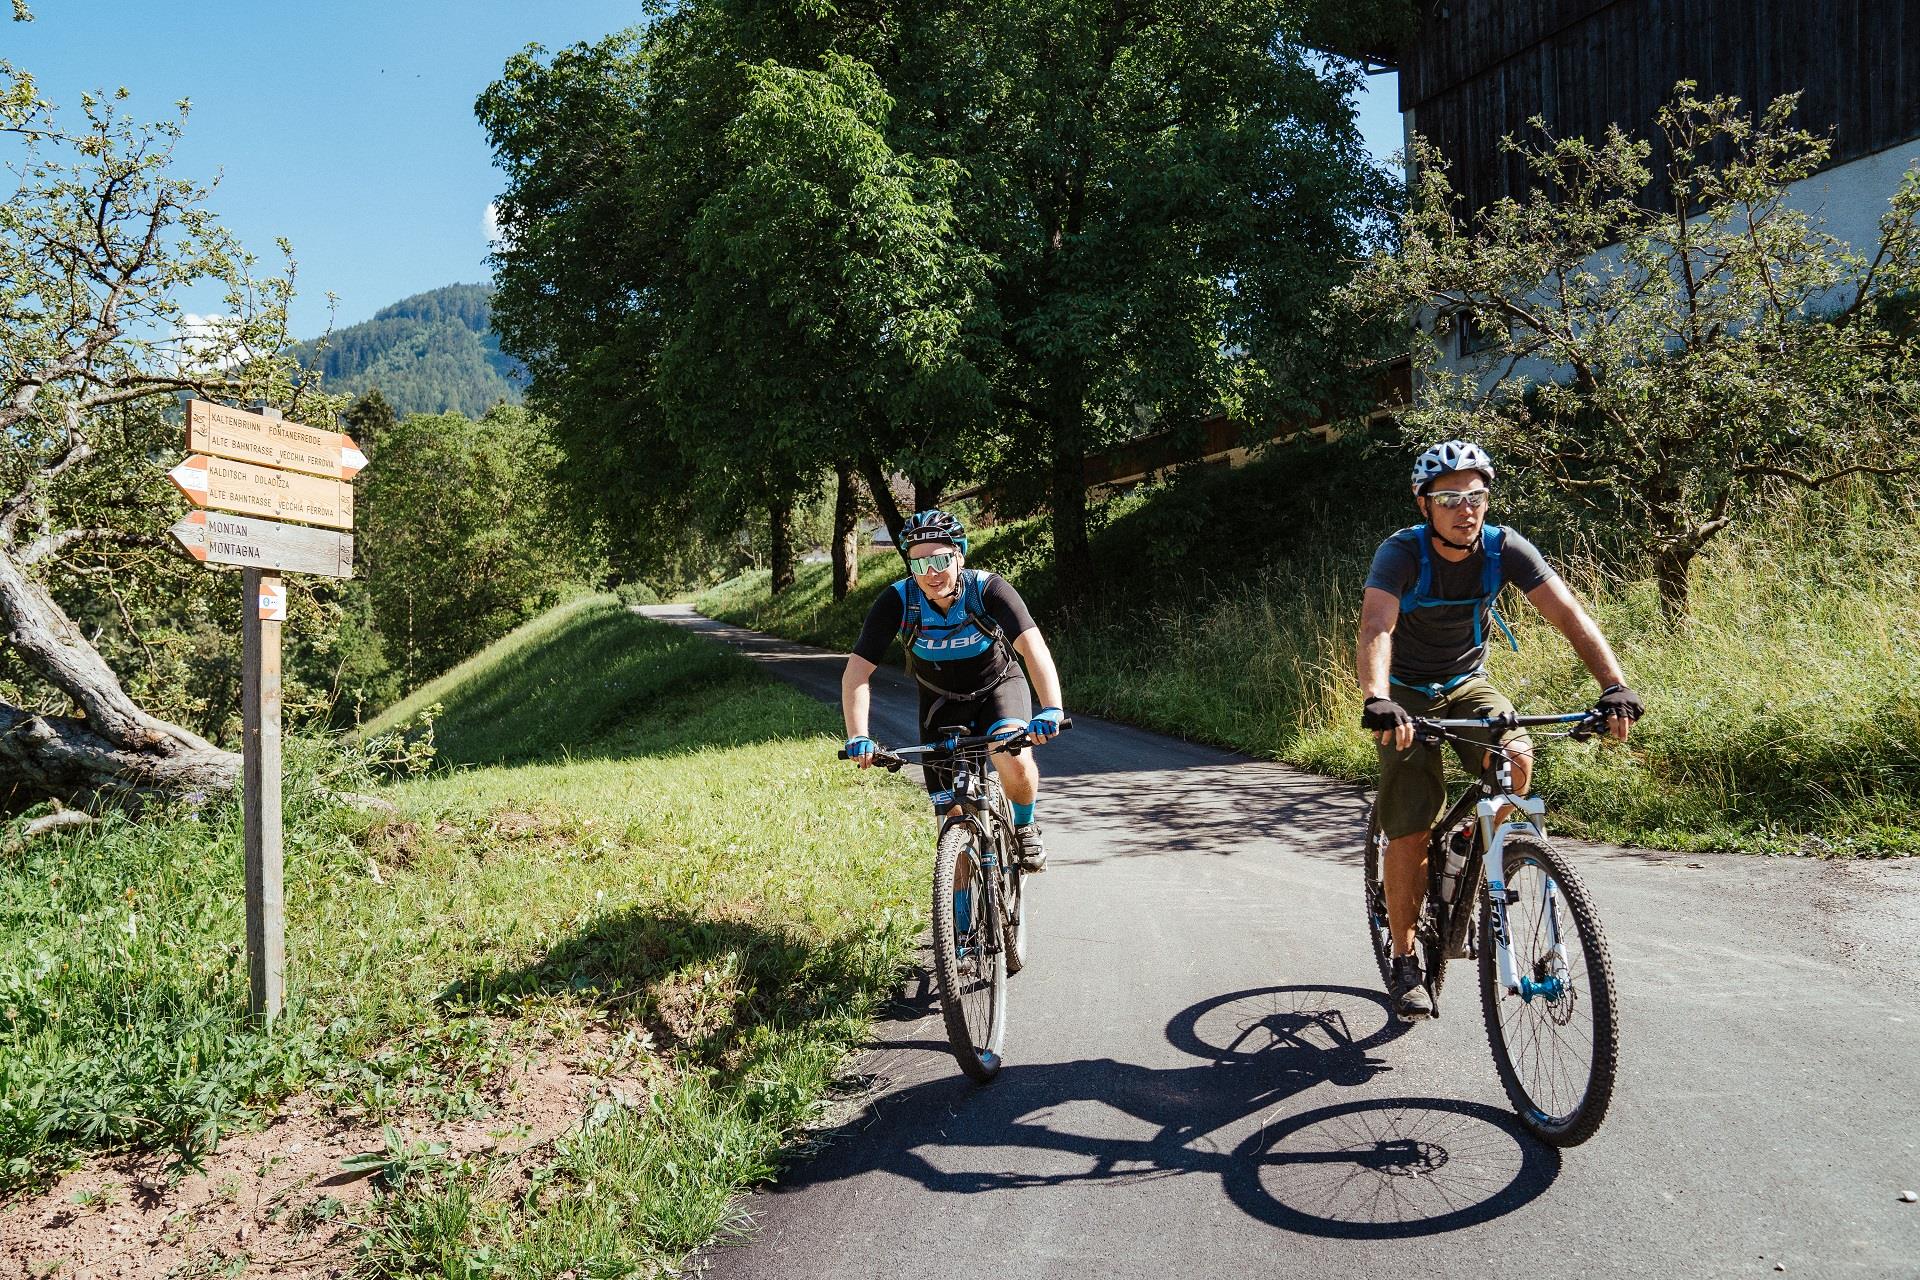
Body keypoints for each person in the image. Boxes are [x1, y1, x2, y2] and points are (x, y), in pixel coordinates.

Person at [1356, 441, 1643, 1020]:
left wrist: (1614, 686)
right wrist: (1379, 698)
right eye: (1451, 499)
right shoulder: (1401, 554)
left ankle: (1466, 845)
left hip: (1465, 682)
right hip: (1406, 692)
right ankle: (1407, 957)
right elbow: (1377, 625)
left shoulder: (1503, 547)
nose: (1467, 509)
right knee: (1410, 823)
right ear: (1425, 506)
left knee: (1516, 760)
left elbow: (1569, 614)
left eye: (1477, 496)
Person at [841, 509, 1066, 870]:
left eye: (940, 560)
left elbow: (1033, 648)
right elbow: (856, 673)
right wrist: (858, 736)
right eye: (919, 565)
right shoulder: (899, 601)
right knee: (950, 820)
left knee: (1011, 756)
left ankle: (1024, 825)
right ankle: (958, 922)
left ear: (959, 554)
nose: (931, 574)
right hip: (940, 705)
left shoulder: (988, 590)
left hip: (998, 688)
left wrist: (1051, 707)